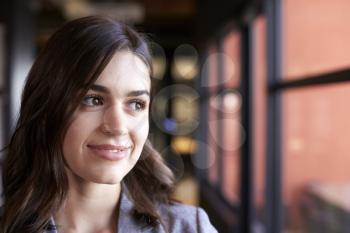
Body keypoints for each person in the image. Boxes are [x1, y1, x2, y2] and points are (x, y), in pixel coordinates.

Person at [0, 16, 217, 233]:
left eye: (136, 104)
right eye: (93, 100)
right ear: (47, 109)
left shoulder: (188, 227)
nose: (118, 126)